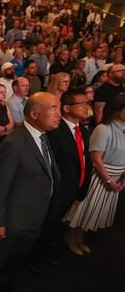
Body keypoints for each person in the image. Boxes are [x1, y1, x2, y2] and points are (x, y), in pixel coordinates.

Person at [0, 92, 61, 292]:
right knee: (1, 257)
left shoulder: (45, 136)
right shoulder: (14, 144)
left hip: (35, 215)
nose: (59, 113)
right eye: (53, 108)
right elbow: (1, 186)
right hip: (14, 218)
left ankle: (7, 284)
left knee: (18, 257)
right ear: (35, 114)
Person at [64, 95, 124, 244]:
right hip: (99, 178)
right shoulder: (104, 129)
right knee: (84, 212)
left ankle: (81, 239)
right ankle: (72, 239)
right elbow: (96, 160)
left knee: (94, 213)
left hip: (115, 179)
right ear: (117, 111)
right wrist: (108, 180)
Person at [46, 89, 93, 257]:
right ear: (66, 108)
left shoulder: (83, 130)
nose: (87, 107)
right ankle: (38, 256)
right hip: (57, 192)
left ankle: (49, 249)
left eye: (87, 103)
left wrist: (82, 188)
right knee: (47, 225)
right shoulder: (55, 131)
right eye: (82, 104)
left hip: (74, 188)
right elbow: (50, 166)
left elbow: (84, 160)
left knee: (57, 223)